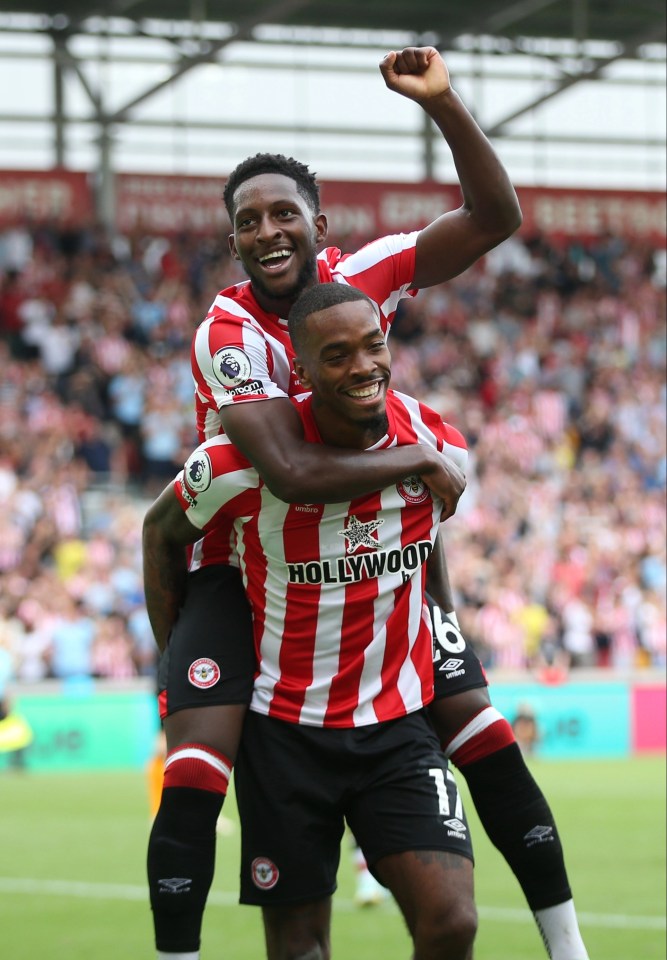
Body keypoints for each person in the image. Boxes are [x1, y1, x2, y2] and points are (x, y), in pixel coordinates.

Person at [146, 43, 588, 960]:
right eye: (249, 221)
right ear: (233, 242)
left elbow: (495, 215)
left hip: (377, 550)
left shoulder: (370, 274)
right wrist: (425, 458)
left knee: (478, 722)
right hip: (245, 565)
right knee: (194, 768)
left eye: (285, 214)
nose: (269, 232)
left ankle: (566, 945)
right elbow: (288, 474)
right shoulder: (226, 330)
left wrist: (444, 103)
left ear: (318, 225)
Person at [145, 282, 476, 960]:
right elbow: (160, 530)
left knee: (452, 922)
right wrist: (172, 649)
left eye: (372, 345)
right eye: (335, 355)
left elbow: (426, 536)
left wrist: (445, 627)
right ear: (299, 369)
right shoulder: (238, 466)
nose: (361, 366)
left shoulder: (439, 443)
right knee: (300, 948)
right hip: (284, 734)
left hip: (396, 725)